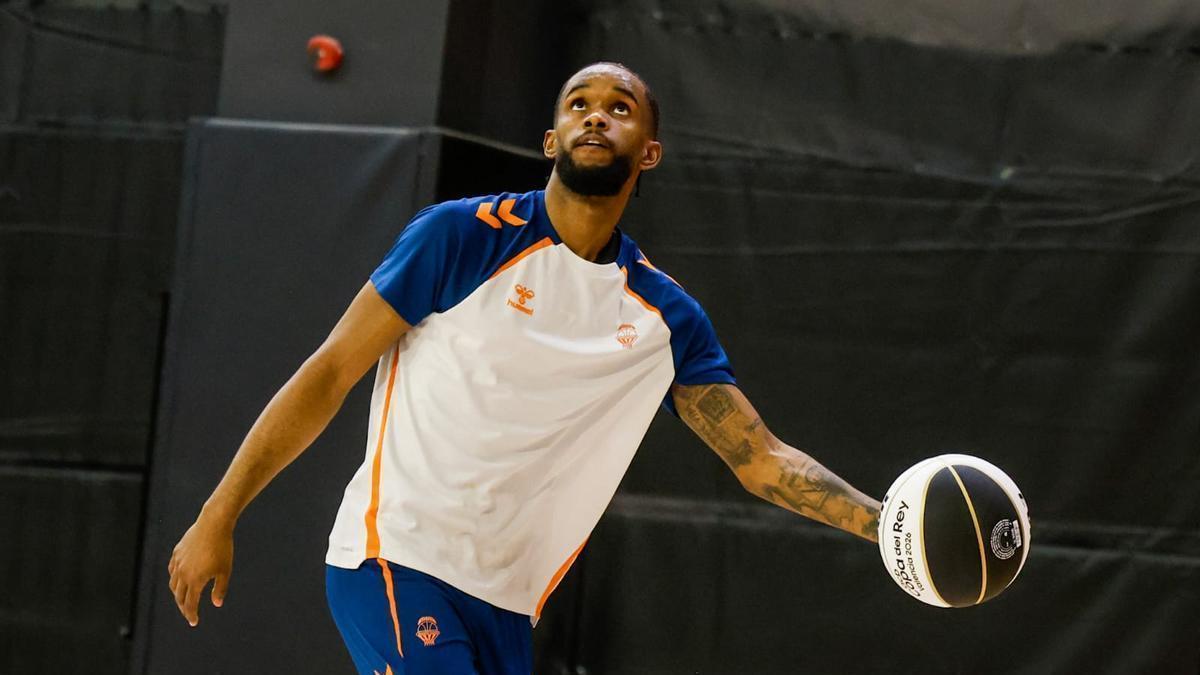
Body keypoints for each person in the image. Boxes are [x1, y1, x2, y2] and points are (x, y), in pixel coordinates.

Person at [167, 61, 881, 675]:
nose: (596, 117)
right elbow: (328, 373)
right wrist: (218, 511)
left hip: (507, 601)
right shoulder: (460, 236)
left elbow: (759, 456)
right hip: (396, 557)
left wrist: (885, 527)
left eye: (619, 108)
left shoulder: (665, 319)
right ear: (551, 140)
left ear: (650, 152)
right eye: (579, 105)